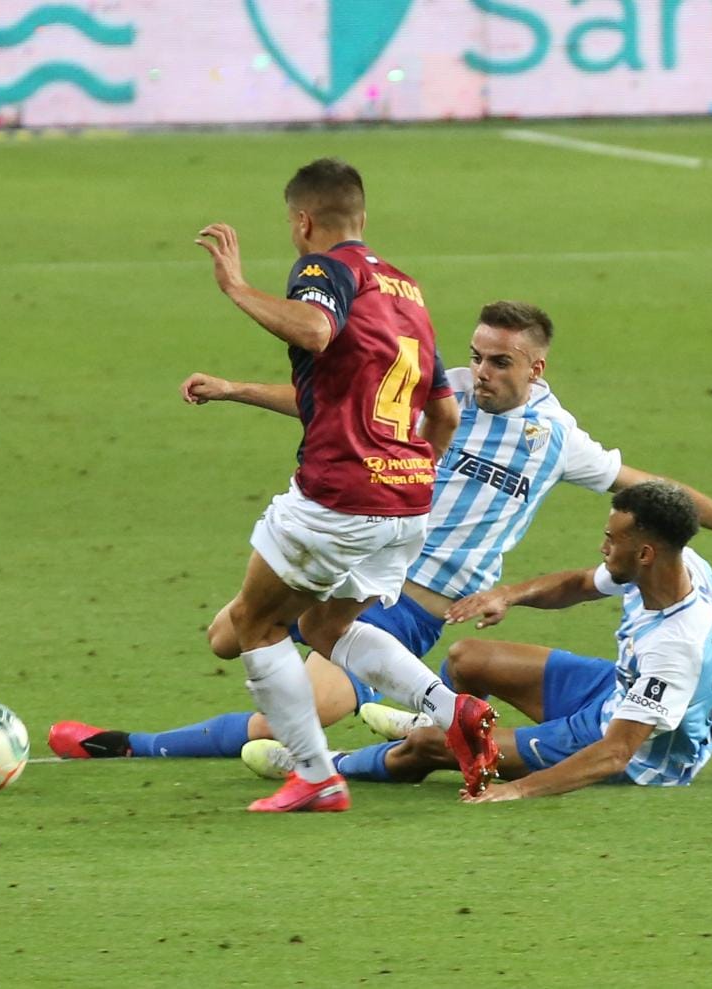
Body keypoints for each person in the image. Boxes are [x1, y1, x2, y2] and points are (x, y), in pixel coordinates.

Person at [49, 301, 712, 781]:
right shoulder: (441, 388)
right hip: (343, 555)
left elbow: (657, 492)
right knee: (226, 637)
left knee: (299, 710)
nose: (480, 371)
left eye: (498, 361)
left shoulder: (554, 438)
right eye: (476, 354)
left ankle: (133, 746)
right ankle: (396, 715)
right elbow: (332, 409)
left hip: (409, 603)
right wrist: (234, 389)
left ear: (536, 364)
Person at [130, 156, 497, 813]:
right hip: (408, 500)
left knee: (255, 622)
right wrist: (407, 469)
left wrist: (237, 286)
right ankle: (453, 709)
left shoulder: (323, 270)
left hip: (340, 494)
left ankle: (316, 774)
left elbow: (316, 330)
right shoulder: (407, 292)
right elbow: (440, 413)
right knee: (326, 623)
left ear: (303, 222)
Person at [278, 479, 712, 800]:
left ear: (644, 553)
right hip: (618, 692)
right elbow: (580, 583)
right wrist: (506, 595)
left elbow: (617, 752)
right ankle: (434, 722)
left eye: (610, 540)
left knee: (429, 750)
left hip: (640, 752)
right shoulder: (676, 564)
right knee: (467, 659)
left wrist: (517, 789)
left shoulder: (675, 647)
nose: (602, 547)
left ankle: (325, 763)